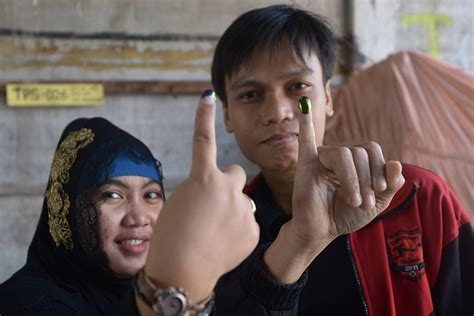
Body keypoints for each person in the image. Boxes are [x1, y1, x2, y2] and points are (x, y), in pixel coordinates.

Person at [209, 4, 473, 316]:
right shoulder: (220, 232)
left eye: (297, 87)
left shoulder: (415, 197)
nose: (277, 113)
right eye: (250, 94)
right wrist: (299, 242)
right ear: (226, 115)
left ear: (328, 98)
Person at [0, 117, 166, 315]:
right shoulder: (30, 305)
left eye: (151, 195)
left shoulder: (164, 292)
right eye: (112, 195)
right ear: (69, 209)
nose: (139, 218)